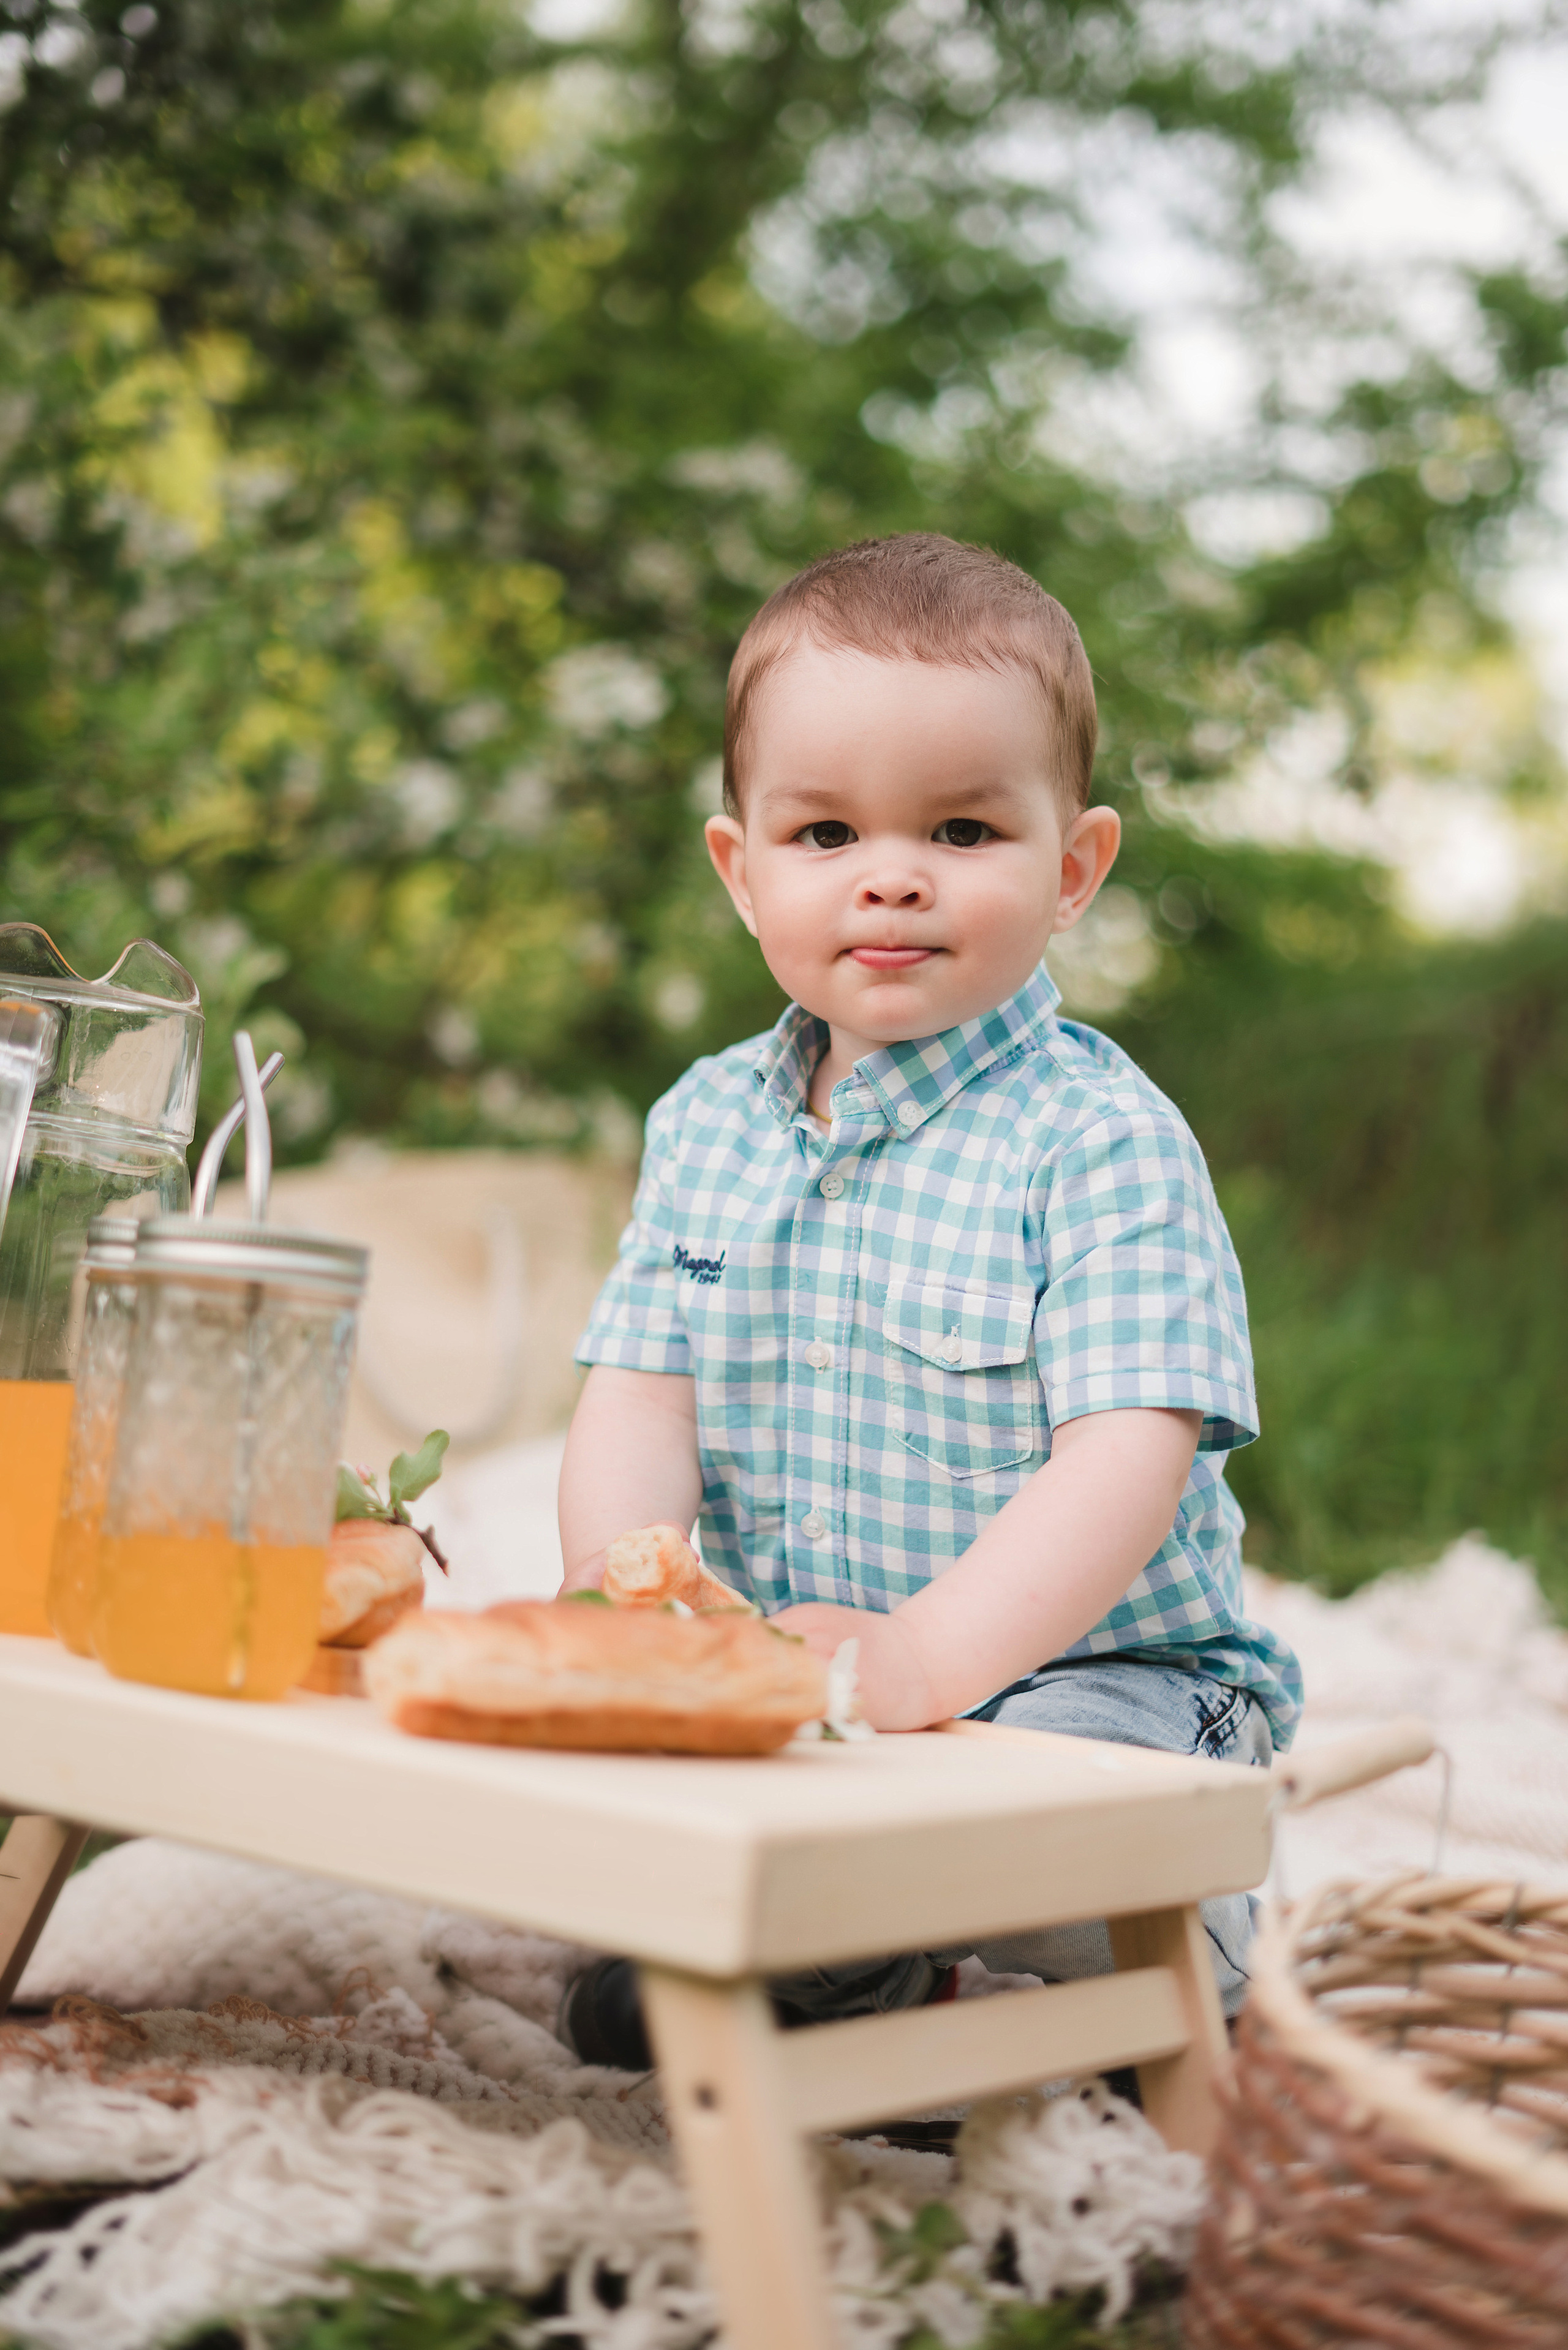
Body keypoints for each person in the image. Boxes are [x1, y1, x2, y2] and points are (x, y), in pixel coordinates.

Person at [556, 531, 1300, 2070]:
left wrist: (922, 1662)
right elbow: (639, 1395)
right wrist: (626, 1598)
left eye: (961, 827)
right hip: (811, 1678)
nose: (889, 872)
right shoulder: (705, 1124)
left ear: (1071, 867)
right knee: (633, 1877)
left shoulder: (1097, 1140)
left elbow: (1123, 1458)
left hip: (1102, 1685)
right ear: (741, 868)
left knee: (1057, 1820)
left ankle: (1155, 1962)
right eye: (824, 830)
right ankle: (874, 1966)